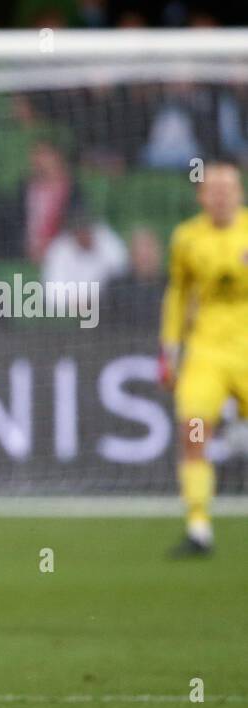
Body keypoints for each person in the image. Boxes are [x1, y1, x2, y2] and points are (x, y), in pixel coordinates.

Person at [159, 161, 248, 556]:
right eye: (213, 189)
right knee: (194, 431)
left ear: (240, 192)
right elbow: (178, 294)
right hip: (206, 352)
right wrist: (169, 349)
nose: (222, 195)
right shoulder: (186, 238)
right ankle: (198, 527)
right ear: (201, 196)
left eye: (228, 188)